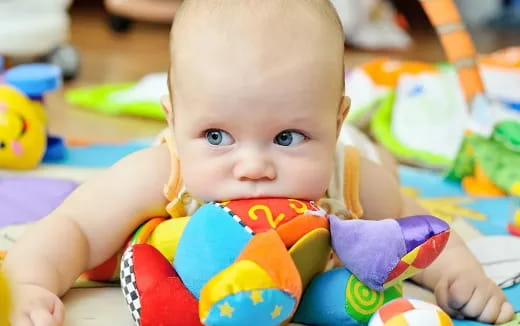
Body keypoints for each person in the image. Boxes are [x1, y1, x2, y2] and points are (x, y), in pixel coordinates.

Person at [3, 0, 514, 325]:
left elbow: (418, 231)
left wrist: (459, 276)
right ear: (175, 120)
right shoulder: (164, 173)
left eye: (287, 137)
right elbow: (74, 227)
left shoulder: (347, 173)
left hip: (355, 152)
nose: (252, 167)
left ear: (334, 124)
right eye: (216, 135)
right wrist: (30, 282)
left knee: (390, 170)